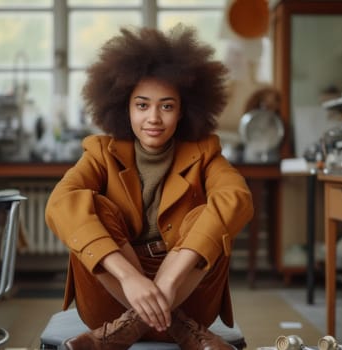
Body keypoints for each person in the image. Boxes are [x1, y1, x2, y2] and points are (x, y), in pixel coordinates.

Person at [44, 24, 254, 349]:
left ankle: (125, 330)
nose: (153, 117)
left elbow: (237, 198)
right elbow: (60, 203)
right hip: (110, 300)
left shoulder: (205, 152)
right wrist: (131, 278)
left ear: (183, 110)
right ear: (124, 107)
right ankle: (181, 329)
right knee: (91, 206)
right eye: (142, 105)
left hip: (187, 293)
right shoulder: (101, 152)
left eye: (166, 106)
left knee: (207, 213)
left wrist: (169, 279)